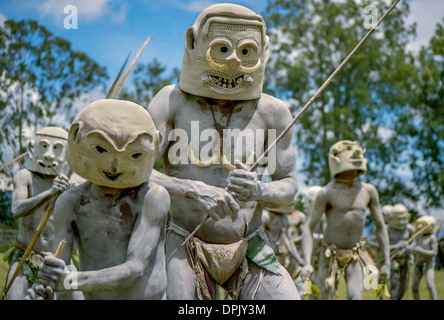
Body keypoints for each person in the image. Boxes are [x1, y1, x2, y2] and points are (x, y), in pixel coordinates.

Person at [147, 3, 300, 300]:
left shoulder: (273, 112)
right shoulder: (172, 101)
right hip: (183, 241)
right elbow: (137, 173)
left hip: (250, 244)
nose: (232, 63)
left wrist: (259, 190)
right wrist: (192, 189)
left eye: (245, 52)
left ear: (263, 51)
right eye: (221, 49)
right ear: (194, 43)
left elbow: (291, 187)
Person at [26, 99, 169, 300]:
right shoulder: (70, 202)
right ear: (76, 136)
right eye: (101, 149)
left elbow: (135, 268)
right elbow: (61, 265)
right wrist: (48, 289)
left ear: (155, 144)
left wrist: (68, 281)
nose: (114, 167)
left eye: (134, 154)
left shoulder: (152, 197)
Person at [301, 140, 390, 300]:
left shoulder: (368, 191)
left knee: (355, 297)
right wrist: (307, 262)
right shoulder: (326, 192)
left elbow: (381, 226)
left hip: (355, 254)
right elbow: (308, 227)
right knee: (326, 297)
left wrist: (387, 262)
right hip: (330, 254)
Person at [3, 126, 79, 300]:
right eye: (43, 146)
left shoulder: (72, 183)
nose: (49, 155)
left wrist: (73, 195)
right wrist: (50, 193)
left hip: (59, 261)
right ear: (32, 148)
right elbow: (16, 209)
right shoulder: (24, 176)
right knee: (14, 296)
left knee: (79, 297)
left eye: (57, 148)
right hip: (26, 257)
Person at [386, 204, 414, 300]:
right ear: (391, 218)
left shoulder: (409, 228)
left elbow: (414, 243)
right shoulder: (387, 229)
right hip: (393, 259)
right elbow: (382, 246)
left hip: (405, 259)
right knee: (394, 283)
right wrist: (396, 246)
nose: (401, 222)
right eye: (398, 219)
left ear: (408, 217)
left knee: (404, 283)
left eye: (403, 218)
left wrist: (408, 248)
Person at [411, 215, 438, 300]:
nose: (419, 227)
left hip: (428, 264)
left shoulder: (432, 238)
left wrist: (421, 250)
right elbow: (413, 247)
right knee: (414, 287)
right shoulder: (418, 237)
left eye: (423, 225)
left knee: (430, 284)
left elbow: (434, 253)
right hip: (419, 264)